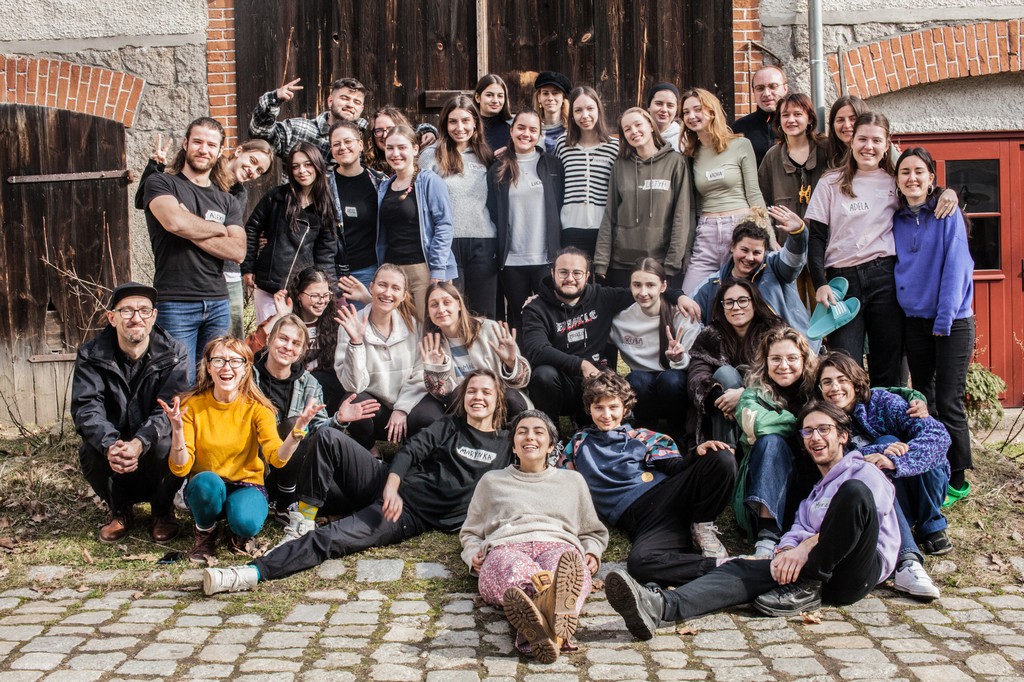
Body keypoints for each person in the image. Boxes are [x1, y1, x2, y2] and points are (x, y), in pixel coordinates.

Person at [200, 369, 513, 595]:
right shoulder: (450, 425)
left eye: (486, 392)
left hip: (405, 515)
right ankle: (303, 519)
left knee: (331, 539)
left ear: (498, 400)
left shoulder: (506, 445)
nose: (478, 397)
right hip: (385, 483)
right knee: (328, 437)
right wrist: (391, 486)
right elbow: (409, 452)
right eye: (472, 391)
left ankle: (248, 574)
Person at [604, 401, 901, 639]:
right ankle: (660, 607)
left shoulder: (865, 473)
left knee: (853, 493)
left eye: (824, 429)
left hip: (855, 573)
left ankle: (809, 584)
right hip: (815, 573)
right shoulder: (812, 496)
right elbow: (795, 532)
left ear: (843, 436)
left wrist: (804, 548)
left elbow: (862, 518)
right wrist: (786, 553)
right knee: (743, 567)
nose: (816, 437)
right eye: (808, 432)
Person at [805, 112, 958, 387]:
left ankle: (887, 413)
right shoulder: (830, 182)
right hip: (842, 282)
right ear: (852, 141)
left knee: (887, 361)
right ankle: (850, 416)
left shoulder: (893, 180)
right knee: (844, 363)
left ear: (887, 145)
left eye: (876, 140)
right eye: (862, 139)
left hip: (885, 276)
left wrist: (947, 192)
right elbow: (816, 237)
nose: (869, 146)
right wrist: (820, 283)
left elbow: (922, 192)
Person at [560, 372, 737, 587]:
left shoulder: (642, 436)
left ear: (625, 408)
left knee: (720, 457)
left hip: (669, 493)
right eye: (599, 407)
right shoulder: (578, 444)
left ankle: (702, 524)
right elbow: (561, 481)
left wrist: (696, 454)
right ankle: (725, 566)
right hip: (645, 522)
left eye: (613, 407)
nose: (606, 415)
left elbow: (674, 466)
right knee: (640, 564)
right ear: (589, 409)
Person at [461, 410, 608, 663]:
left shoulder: (572, 481)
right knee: (515, 570)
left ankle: (538, 626)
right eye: (522, 432)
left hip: (558, 544)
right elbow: (471, 532)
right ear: (513, 446)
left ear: (551, 446)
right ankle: (552, 621)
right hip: (507, 546)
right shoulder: (491, 481)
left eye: (538, 432)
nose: (530, 437)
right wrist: (471, 554)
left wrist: (592, 551)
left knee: (566, 570)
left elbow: (592, 531)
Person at [158, 337, 320, 562]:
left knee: (246, 523)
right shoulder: (191, 406)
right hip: (207, 487)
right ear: (208, 366)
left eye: (235, 361)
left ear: (246, 368)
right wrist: (177, 430)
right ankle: (205, 531)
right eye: (219, 360)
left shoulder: (259, 408)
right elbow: (181, 467)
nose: (227, 367)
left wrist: (297, 431)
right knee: (206, 483)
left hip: (247, 484)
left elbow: (277, 458)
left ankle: (236, 529)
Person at [816, 351, 949, 599]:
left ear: (856, 382)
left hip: (920, 486)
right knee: (874, 461)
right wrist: (879, 452)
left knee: (904, 444)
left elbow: (938, 435)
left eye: (842, 380)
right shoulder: (824, 422)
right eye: (827, 382)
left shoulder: (883, 402)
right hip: (885, 502)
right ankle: (907, 561)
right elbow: (840, 466)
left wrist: (894, 460)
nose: (835, 388)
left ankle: (931, 524)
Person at [521, 247, 698, 425]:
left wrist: (679, 296)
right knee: (543, 375)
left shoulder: (602, 297)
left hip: (597, 379)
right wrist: (581, 364)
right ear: (553, 273)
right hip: (560, 382)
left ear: (587, 275)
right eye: (563, 272)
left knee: (598, 420)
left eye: (577, 273)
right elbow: (537, 349)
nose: (570, 278)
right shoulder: (536, 308)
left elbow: (646, 290)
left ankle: (588, 421)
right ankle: (550, 431)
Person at [71, 283, 190, 543]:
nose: (136, 318)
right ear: (112, 318)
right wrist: (110, 445)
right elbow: (87, 408)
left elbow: (169, 409)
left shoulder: (174, 353)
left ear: (154, 316)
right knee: (90, 451)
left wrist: (140, 442)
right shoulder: (91, 355)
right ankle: (120, 510)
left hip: (152, 446)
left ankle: (162, 511)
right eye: (126, 311)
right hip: (115, 447)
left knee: (170, 444)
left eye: (144, 310)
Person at [893, 147, 975, 508]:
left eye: (919, 171)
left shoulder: (946, 213)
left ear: (931, 178)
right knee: (922, 397)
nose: (911, 178)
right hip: (915, 322)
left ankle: (957, 479)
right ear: (897, 180)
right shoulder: (895, 218)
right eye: (904, 172)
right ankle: (933, 467)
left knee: (948, 400)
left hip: (953, 321)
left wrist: (943, 319)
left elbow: (956, 268)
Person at [134, 136, 274, 339]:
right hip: (188, 274)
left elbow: (230, 240)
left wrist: (186, 226)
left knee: (229, 343)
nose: (253, 171)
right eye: (253, 161)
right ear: (239, 151)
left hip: (226, 275)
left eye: (259, 171)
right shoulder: (200, 171)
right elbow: (145, 202)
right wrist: (155, 168)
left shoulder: (238, 193)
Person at [143, 117, 245, 382]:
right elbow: (174, 222)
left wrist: (190, 228)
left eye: (211, 145)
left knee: (213, 383)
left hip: (218, 302)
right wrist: (219, 229)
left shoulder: (227, 200)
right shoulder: (161, 183)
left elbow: (238, 251)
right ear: (185, 143)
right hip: (175, 302)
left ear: (220, 152)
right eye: (198, 142)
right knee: (178, 383)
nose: (203, 149)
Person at [252, 315, 380, 512]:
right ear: (270, 339)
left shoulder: (309, 384)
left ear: (302, 351)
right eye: (283, 338)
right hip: (259, 465)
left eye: (296, 343)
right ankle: (283, 501)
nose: (288, 347)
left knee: (345, 500)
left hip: (295, 467)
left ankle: (289, 496)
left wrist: (338, 419)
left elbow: (318, 431)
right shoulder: (249, 378)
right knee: (293, 424)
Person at [735, 327, 820, 557]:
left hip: (813, 485)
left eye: (792, 358)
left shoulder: (818, 389)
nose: (784, 366)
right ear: (765, 362)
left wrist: (910, 397)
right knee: (771, 442)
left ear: (804, 359)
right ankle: (767, 537)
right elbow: (759, 426)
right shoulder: (752, 394)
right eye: (775, 359)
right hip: (768, 490)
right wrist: (806, 423)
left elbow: (858, 392)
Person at [410, 281, 530, 433]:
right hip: (461, 406)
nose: (441, 309)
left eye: (447, 302)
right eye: (434, 305)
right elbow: (445, 396)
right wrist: (436, 372)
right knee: (455, 396)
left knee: (512, 398)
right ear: (428, 311)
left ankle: (513, 440)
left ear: (459, 305)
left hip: (497, 401)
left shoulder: (489, 329)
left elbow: (522, 382)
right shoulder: (432, 344)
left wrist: (511, 363)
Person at [594, 107, 693, 288]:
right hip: (621, 264)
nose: (634, 131)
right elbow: (610, 215)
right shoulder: (620, 166)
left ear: (651, 126)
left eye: (638, 125)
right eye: (627, 129)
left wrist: (672, 263)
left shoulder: (675, 162)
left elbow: (682, 215)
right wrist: (601, 261)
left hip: (659, 263)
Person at [680, 88, 766, 294]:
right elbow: (694, 205)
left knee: (743, 296)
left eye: (697, 109)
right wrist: (688, 248)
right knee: (689, 299)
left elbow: (754, 194)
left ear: (712, 111)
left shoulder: (740, 145)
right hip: (706, 232)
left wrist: (768, 237)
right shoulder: (691, 155)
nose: (691, 116)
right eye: (686, 112)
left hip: (739, 229)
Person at [418, 95, 499, 317]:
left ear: (475, 123)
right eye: (453, 121)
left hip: (483, 242)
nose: (459, 127)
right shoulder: (430, 156)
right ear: (445, 124)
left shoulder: (486, 157)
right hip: (447, 244)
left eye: (465, 121)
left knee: (483, 313)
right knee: (451, 312)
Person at [691, 210, 816, 349]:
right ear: (732, 247)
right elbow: (691, 317)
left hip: (786, 349)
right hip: (732, 353)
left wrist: (798, 234)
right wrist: (679, 297)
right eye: (744, 250)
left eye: (757, 253)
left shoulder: (774, 267)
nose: (749, 258)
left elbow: (793, 262)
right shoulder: (712, 284)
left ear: (765, 252)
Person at [242, 141, 338, 323]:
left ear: (317, 165)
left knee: (299, 336)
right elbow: (252, 228)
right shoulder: (277, 196)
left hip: (302, 290)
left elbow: (326, 254)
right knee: (268, 335)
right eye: (295, 166)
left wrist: (329, 290)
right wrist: (248, 267)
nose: (302, 171)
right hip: (269, 286)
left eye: (308, 164)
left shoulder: (325, 206)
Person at [486, 109, 564, 331]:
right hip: (512, 261)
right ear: (511, 131)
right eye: (521, 128)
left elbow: (559, 205)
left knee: (548, 317)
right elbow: (492, 210)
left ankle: (546, 355)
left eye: (532, 130)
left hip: (545, 258)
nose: (526, 134)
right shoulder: (498, 168)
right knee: (518, 319)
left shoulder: (553, 165)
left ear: (539, 135)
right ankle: (520, 355)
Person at [333, 264, 425, 449]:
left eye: (395, 288)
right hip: (378, 414)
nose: (387, 293)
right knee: (354, 400)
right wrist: (356, 343)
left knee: (431, 414)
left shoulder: (414, 325)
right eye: (382, 285)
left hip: (407, 409)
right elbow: (353, 386)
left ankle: (414, 452)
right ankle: (370, 450)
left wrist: (402, 409)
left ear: (404, 295)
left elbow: (420, 373)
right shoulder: (352, 324)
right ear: (371, 287)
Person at [687, 278, 783, 446]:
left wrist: (745, 395)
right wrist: (722, 398)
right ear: (722, 307)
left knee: (727, 374)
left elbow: (782, 374)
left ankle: (730, 450)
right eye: (729, 302)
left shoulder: (774, 334)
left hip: (764, 403)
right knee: (725, 374)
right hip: (721, 413)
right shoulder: (710, 336)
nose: (736, 307)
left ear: (754, 303)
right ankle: (728, 448)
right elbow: (697, 375)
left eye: (742, 300)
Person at [610, 257, 699, 438]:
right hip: (643, 387)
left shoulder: (681, 315)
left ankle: (678, 431)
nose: (643, 292)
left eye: (650, 285)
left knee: (671, 380)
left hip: (676, 384)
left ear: (663, 286)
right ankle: (645, 430)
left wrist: (679, 358)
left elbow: (695, 364)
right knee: (636, 379)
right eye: (637, 285)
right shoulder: (621, 320)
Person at [376, 125, 457, 311]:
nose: (395, 153)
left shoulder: (429, 181)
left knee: (427, 324)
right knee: (399, 326)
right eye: (390, 148)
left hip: (424, 269)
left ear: (415, 149)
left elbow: (444, 225)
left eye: (401, 147)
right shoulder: (384, 187)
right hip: (394, 272)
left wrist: (438, 270)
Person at [554, 86, 620, 258]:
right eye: (578, 110)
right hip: (570, 226)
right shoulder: (563, 145)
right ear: (572, 115)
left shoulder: (614, 147)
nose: (585, 115)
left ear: (599, 110)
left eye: (590, 108)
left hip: (603, 228)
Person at [757, 93, 828, 239]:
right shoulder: (772, 156)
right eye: (785, 115)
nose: (791, 120)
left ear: (809, 118)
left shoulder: (826, 150)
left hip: (825, 242)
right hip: (786, 244)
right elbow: (762, 202)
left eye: (797, 114)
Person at [327, 120, 386, 294]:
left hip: (369, 270)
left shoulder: (380, 182)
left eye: (348, 141)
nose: (342, 147)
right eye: (336, 144)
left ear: (360, 145)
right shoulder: (323, 185)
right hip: (332, 271)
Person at [249, 76, 368, 160]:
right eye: (345, 98)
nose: (350, 105)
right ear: (330, 101)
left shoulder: (368, 137)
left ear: (361, 108)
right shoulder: (299, 130)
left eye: (356, 102)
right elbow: (260, 135)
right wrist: (274, 99)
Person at [732, 66, 789, 166]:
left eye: (773, 86)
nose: (766, 93)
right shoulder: (738, 129)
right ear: (753, 92)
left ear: (785, 88)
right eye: (760, 88)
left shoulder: (797, 124)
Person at [364, 106, 412, 175]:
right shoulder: (367, 167)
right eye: (379, 130)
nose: (385, 135)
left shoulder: (416, 164)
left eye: (390, 129)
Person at [532, 71, 572, 153]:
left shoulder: (573, 128)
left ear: (563, 97)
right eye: (545, 93)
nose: (550, 98)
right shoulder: (531, 129)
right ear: (539, 97)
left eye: (555, 93)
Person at [824, 95, 868, 169]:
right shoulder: (825, 156)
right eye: (840, 120)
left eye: (853, 119)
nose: (847, 125)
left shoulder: (878, 153)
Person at [474, 73, 513, 153]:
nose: (495, 100)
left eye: (500, 96)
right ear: (477, 97)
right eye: (489, 95)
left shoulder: (513, 128)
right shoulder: (468, 127)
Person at [647, 82, 681, 151]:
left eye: (670, 105)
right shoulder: (639, 135)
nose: (664, 110)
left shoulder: (683, 140)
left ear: (676, 110)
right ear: (649, 107)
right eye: (659, 104)